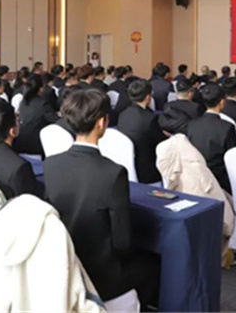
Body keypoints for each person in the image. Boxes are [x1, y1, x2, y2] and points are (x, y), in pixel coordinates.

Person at [44, 89, 159, 309]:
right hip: (104, 276)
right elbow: (122, 243)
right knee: (153, 263)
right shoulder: (113, 173)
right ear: (101, 122)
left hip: (66, 264)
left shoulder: (51, 164)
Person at [186, 84, 236, 194]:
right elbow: (232, 158)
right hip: (220, 181)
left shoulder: (192, 124)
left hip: (197, 176)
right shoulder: (227, 127)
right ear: (222, 102)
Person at [117, 79, 165, 184]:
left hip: (128, 165)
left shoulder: (123, 114)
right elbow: (161, 143)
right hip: (148, 170)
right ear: (148, 97)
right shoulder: (150, 118)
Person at [13, 74, 58, 156]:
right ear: (40, 89)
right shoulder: (42, 104)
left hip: (21, 143)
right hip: (35, 146)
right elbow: (55, 120)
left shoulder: (23, 102)